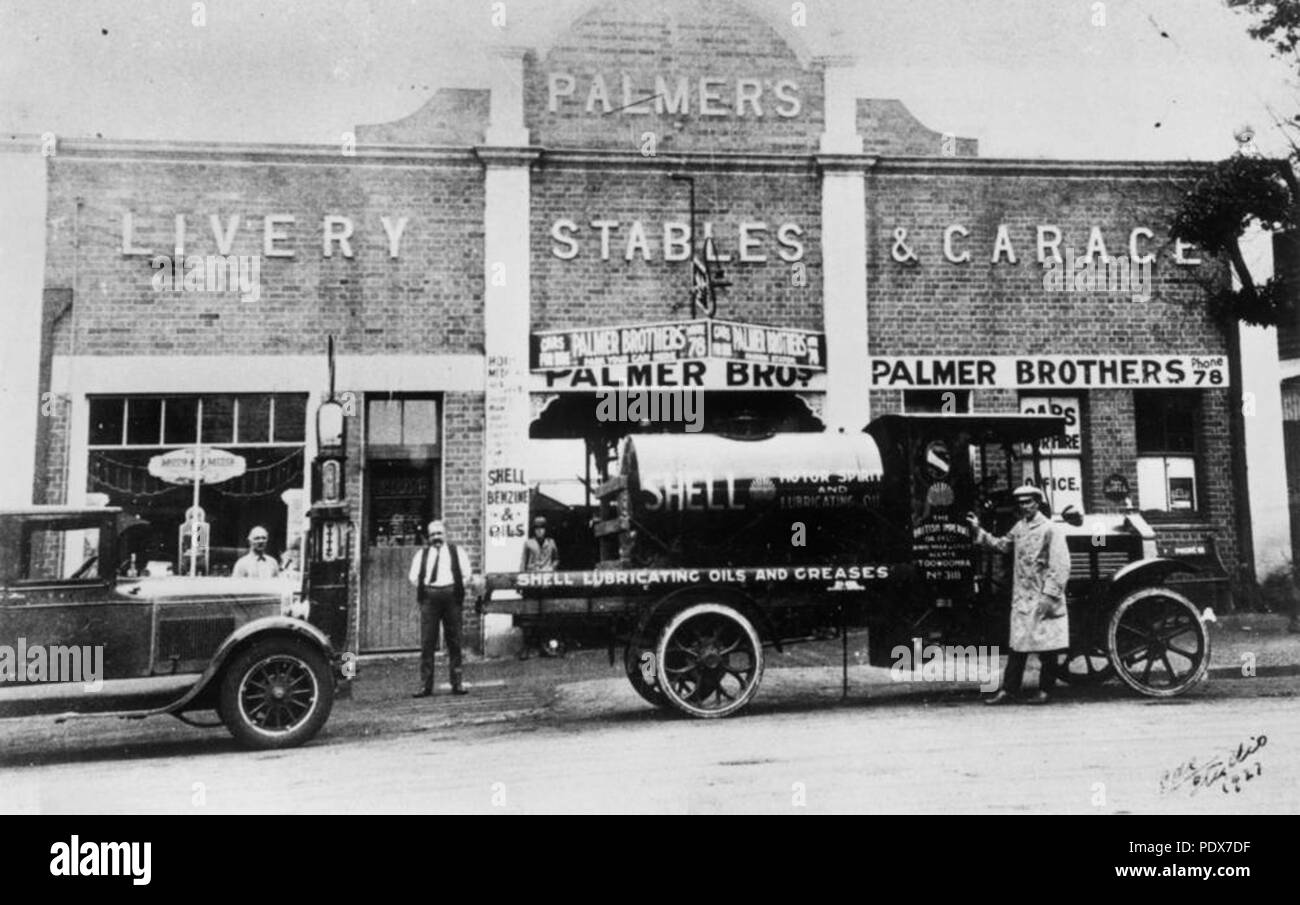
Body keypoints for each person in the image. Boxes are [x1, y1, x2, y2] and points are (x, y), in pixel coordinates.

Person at [966, 485, 1071, 704]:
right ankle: (1009, 690)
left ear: (1038, 503)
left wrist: (1049, 596)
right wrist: (978, 530)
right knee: (1018, 647)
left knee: (1048, 647)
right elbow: (1003, 546)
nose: (1024, 507)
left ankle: (1045, 691)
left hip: (1043, 596)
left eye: (1028, 502)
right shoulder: (1020, 528)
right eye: (1021, 503)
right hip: (1023, 597)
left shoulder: (1051, 529)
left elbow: (1060, 566)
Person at [408, 519, 473, 697]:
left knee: (455, 641)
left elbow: (467, 574)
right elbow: (413, 577)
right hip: (430, 599)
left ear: (445, 534)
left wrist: (453, 587)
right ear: (428, 537)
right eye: (432, 535)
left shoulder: (456, 552)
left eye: (439, 534)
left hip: (451, 598)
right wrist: (428, 589)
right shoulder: (422, 555)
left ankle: (457, 682)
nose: (436, 537)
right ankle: (425, 686)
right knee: (427, 642)